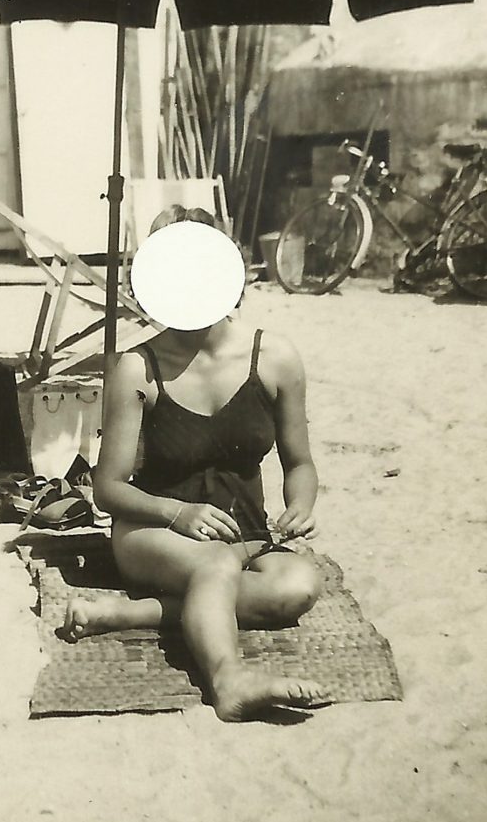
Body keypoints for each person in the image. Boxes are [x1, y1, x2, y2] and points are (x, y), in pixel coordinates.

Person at [80, 212, 328, 721]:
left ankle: (136, 613)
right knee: (215, 564)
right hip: (151, 531)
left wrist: (301, 505)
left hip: (246, 533)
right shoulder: (138, 368)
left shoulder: (275, 358)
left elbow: (300, 463)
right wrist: (178, 513)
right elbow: (107, 488)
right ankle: (228, 679)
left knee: (298, 586)